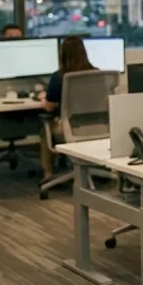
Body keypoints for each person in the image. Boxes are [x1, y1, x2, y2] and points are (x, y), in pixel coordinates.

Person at [39, 36, 97, 181]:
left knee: (44, 128)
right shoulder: (97, 73)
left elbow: (49, 107)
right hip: (97, 127)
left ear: (62, 54)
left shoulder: (58, 76)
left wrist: (43, 99)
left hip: (69, 128)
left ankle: (48, 173)